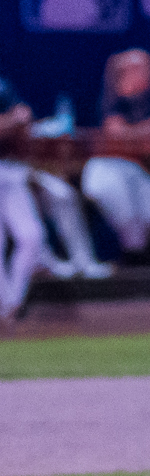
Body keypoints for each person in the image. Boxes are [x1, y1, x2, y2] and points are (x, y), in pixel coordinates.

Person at [82, 48, 150, 258]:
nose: (145, 74)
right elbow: (116, 133)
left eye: (147, 69)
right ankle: (129, 265)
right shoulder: (111, 100)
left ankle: (141, 264)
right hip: (106, 167)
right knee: (127, 217)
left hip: (138, 170)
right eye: (137, 69)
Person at [0, 73, 49, 320]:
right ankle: (6, 306)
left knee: (31, 236)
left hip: (9, 169)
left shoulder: (3, 85)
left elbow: (24, 117)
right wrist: (10, 122)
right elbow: (14, 120)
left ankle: (12, 304)